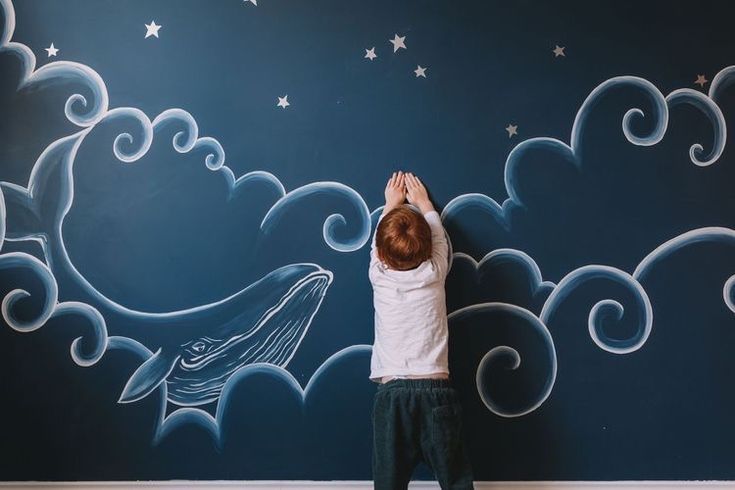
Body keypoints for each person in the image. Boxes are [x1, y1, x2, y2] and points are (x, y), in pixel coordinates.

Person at [369, 170, 474, 490]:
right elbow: (440, 239)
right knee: (455, 477)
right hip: (436, 393)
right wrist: (424, 204)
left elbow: (377, 245)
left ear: (383, 256)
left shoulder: (380, 275)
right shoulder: (435, 271)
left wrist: (391, 204)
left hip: (393, 394)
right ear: (427, 250)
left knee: (389, 481)